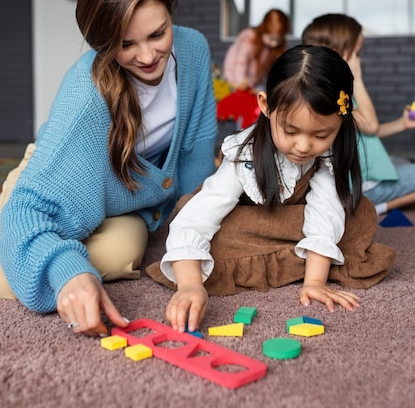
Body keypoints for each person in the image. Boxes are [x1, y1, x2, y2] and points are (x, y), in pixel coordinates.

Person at [0, 0, 217, 336]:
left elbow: (196, 155)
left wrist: (192, 225)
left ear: (170, 11)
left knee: (124, 253)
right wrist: (69, 275)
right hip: (60, 173)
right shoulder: (86, 99)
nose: (148, 56)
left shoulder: (194, 49)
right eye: (126, 44)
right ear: (101, 42)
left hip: (127, 198)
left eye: (157, 33)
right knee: (32, 265)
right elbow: (27, 213)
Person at [145, 45, 396, 332]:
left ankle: (305, 262)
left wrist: (315, 282)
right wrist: (190, 285)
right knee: (201, 222)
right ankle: (294, 258)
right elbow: (199, 217)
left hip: (298, 225)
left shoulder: (329, 155)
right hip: (248, 229)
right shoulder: (245, 153)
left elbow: (325, 210)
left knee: (359, 212)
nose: (303, 146)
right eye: (290, 131)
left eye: (321, 134)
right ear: (265, 105)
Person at [302, 13, 415, 215]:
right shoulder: (331, 96)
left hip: (361, 182)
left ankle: (374, 207)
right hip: (359, 187)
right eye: (358, 52)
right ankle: (369, 208)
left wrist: (402, 123)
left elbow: (365, 131)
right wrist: (357, 79)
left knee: (400, 162)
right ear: (341, 52)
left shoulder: (329, 88)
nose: (359, 59)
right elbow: (370, 125)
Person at [223, 9, 290, 90]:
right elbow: (240, 63)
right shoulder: (249, 40)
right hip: (235, 79)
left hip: (255, 81)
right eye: (271, 39)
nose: (274, 44)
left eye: (278, 40)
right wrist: (240, 83)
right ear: (263, 30)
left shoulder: (274, 48)